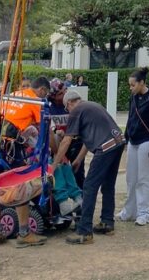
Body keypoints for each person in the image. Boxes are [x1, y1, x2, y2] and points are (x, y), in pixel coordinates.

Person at [57, 89, 125, 245]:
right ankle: (107, 222)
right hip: (118, 142)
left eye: (67, 109)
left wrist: (54, 164)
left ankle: (84, 231)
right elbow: (89, 139)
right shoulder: (92, 106)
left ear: (69, 103)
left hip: (106, 147)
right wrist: (78, 160)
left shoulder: (76, 111)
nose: (68, 111)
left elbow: (66, 141)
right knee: (108, 185)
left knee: (89, 186)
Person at [0, 75, 51, 248]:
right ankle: (23, 233)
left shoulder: (15, 94)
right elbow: (42, 127)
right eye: (46, 94)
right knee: (20, 187)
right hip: (10, 147)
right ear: (42, 90)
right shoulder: (36, 101)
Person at [117, 67, 149, 226]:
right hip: (133, 142)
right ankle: (129, 211)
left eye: (133, 85)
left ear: (142, 83)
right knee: (131, 178)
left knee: (144, 179)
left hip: (147, 142)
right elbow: (131, 118)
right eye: (130, 85)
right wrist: (126, 138)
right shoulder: (134, 98)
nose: (131, 88)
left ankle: (144, 213)